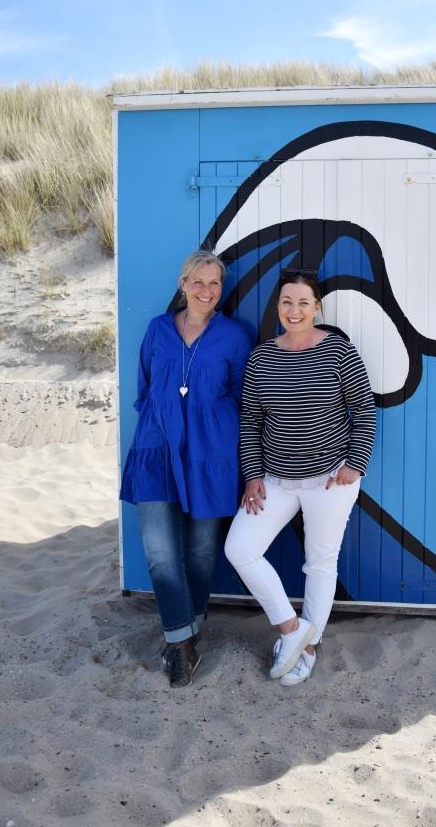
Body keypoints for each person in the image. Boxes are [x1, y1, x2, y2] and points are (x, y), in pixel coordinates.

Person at [224, 269, 376, 686]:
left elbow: (364, 412)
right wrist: (253, 475)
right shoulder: (262, 357)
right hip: (274, 479)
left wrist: (354, 465)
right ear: (278, 307)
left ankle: (308, 650)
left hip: (331, 479)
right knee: (240, 549)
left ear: (317, 308)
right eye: (287, 302)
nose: (295, 310)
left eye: (303, 303)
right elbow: (251, 422)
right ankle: (293, 632)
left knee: (321, 564)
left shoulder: (339, 352)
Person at [120, 250, 251, 688]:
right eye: (198, 281)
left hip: (211, 457)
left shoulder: (234, 336)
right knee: (160, 553)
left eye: (214, 283)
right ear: (182, 284)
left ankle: (187, 632)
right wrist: (166, 423)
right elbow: (143, 387)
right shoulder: (158, 330)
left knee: (200, 553)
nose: (206, 291)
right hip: (155, 452)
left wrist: (209, 425)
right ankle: (180, 643)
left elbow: (242, 396)